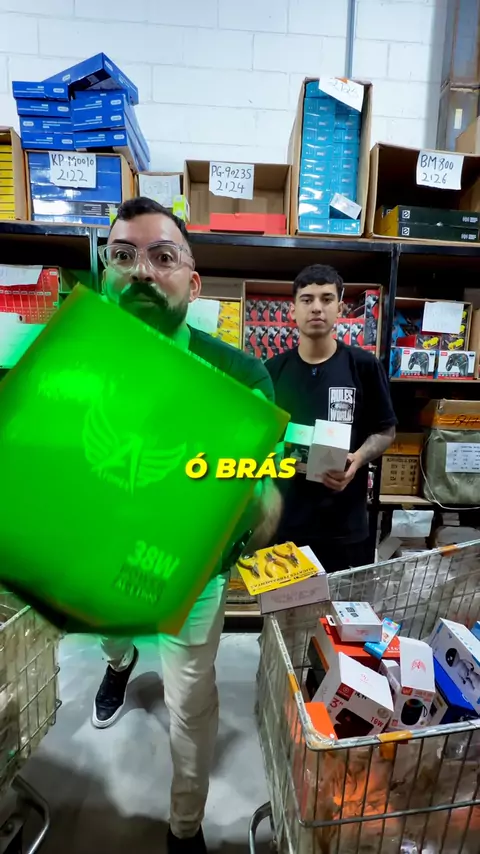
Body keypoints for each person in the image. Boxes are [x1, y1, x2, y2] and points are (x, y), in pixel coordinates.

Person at [93, 197, 282, 854]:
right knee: (110, 637)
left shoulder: (239, 376)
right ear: (105, 274)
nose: (141, 270)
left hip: (193, 573)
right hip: (102, 558)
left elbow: (259, 484)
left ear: (193, 283)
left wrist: (258, 498)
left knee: (190, 702)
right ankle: (120, 663)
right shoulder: (73, 365)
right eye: (123, 256)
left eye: (162, 256)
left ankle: (184, 828)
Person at [266, 264, 397, 572]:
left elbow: (386, 431)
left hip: (344, 527)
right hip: (284, 524)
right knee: (286, 604)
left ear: (340, 308)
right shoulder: (272, 370)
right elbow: (259, 438)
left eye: (326, 299)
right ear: (293, 310)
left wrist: (357, 459)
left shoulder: (364, 366)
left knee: (343, 603)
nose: (316, 308)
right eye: (307, 299)